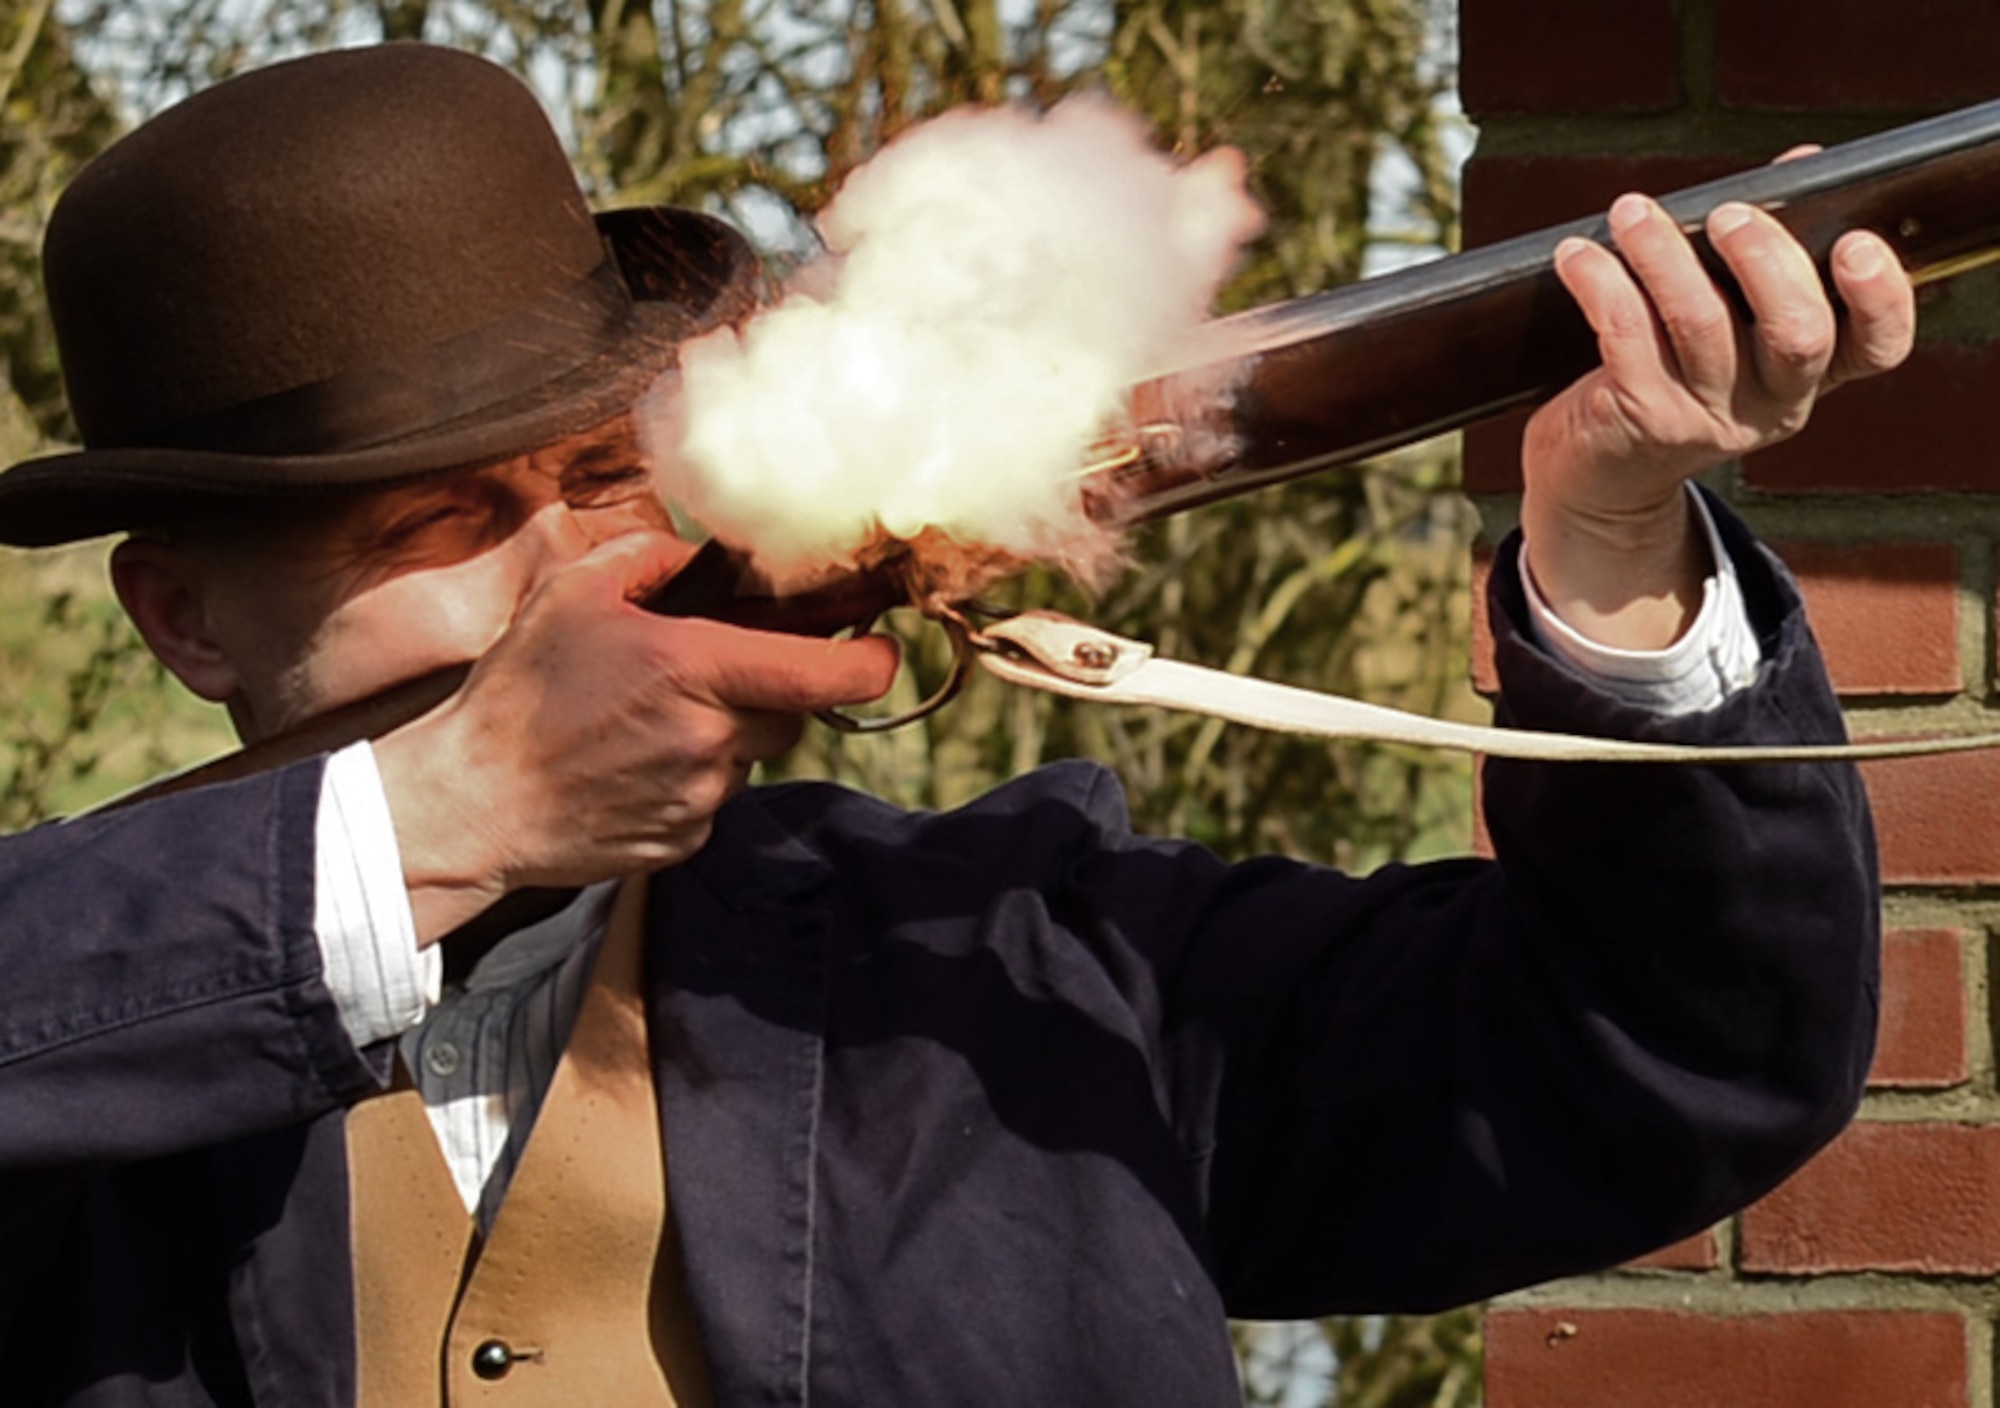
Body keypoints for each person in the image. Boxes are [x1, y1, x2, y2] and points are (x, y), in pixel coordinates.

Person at [0, 41, 1908, 1408]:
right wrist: (449, 812)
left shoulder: (1028, 954)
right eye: (433, 525)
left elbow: (1662, 1062)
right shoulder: (77, 999)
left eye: (597, 481)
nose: (562, 577)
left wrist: (1611, 535)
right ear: (181, 613)